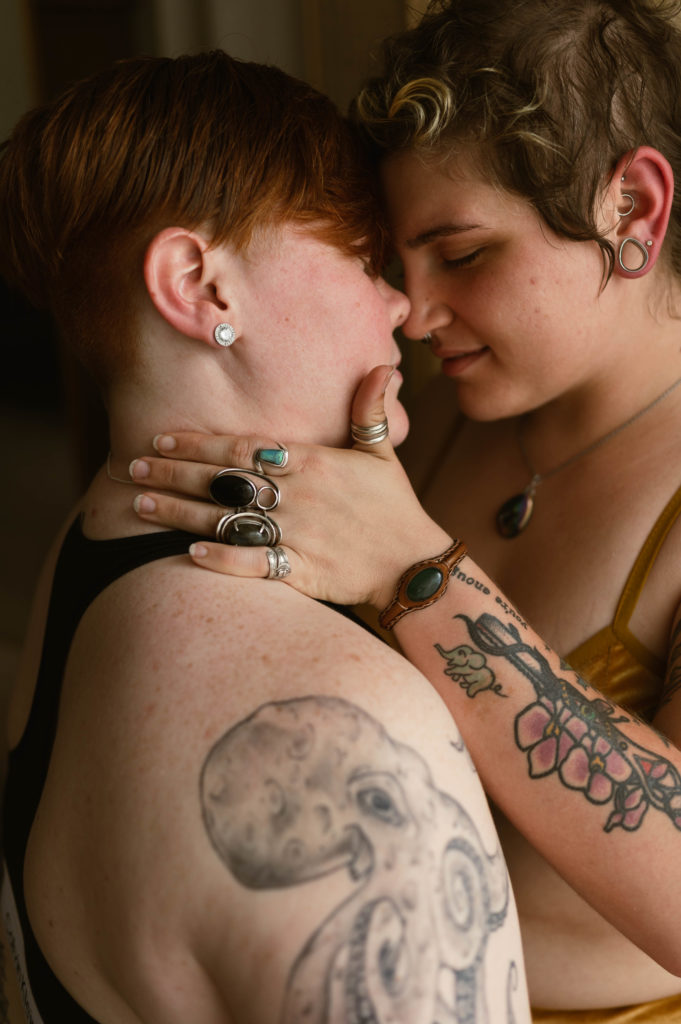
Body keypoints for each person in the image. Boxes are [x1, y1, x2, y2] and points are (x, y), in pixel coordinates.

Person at [126, 1, 681, 1021]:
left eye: (462, 255)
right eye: (395, 263)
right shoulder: (426, 416)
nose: (414, 317)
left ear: (633, 210)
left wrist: (418, 572)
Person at [0, 50, 531, 1024]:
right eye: (369, 256)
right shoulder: (354, 724)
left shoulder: (86, 549)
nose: (404, 307)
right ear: (202, 288)